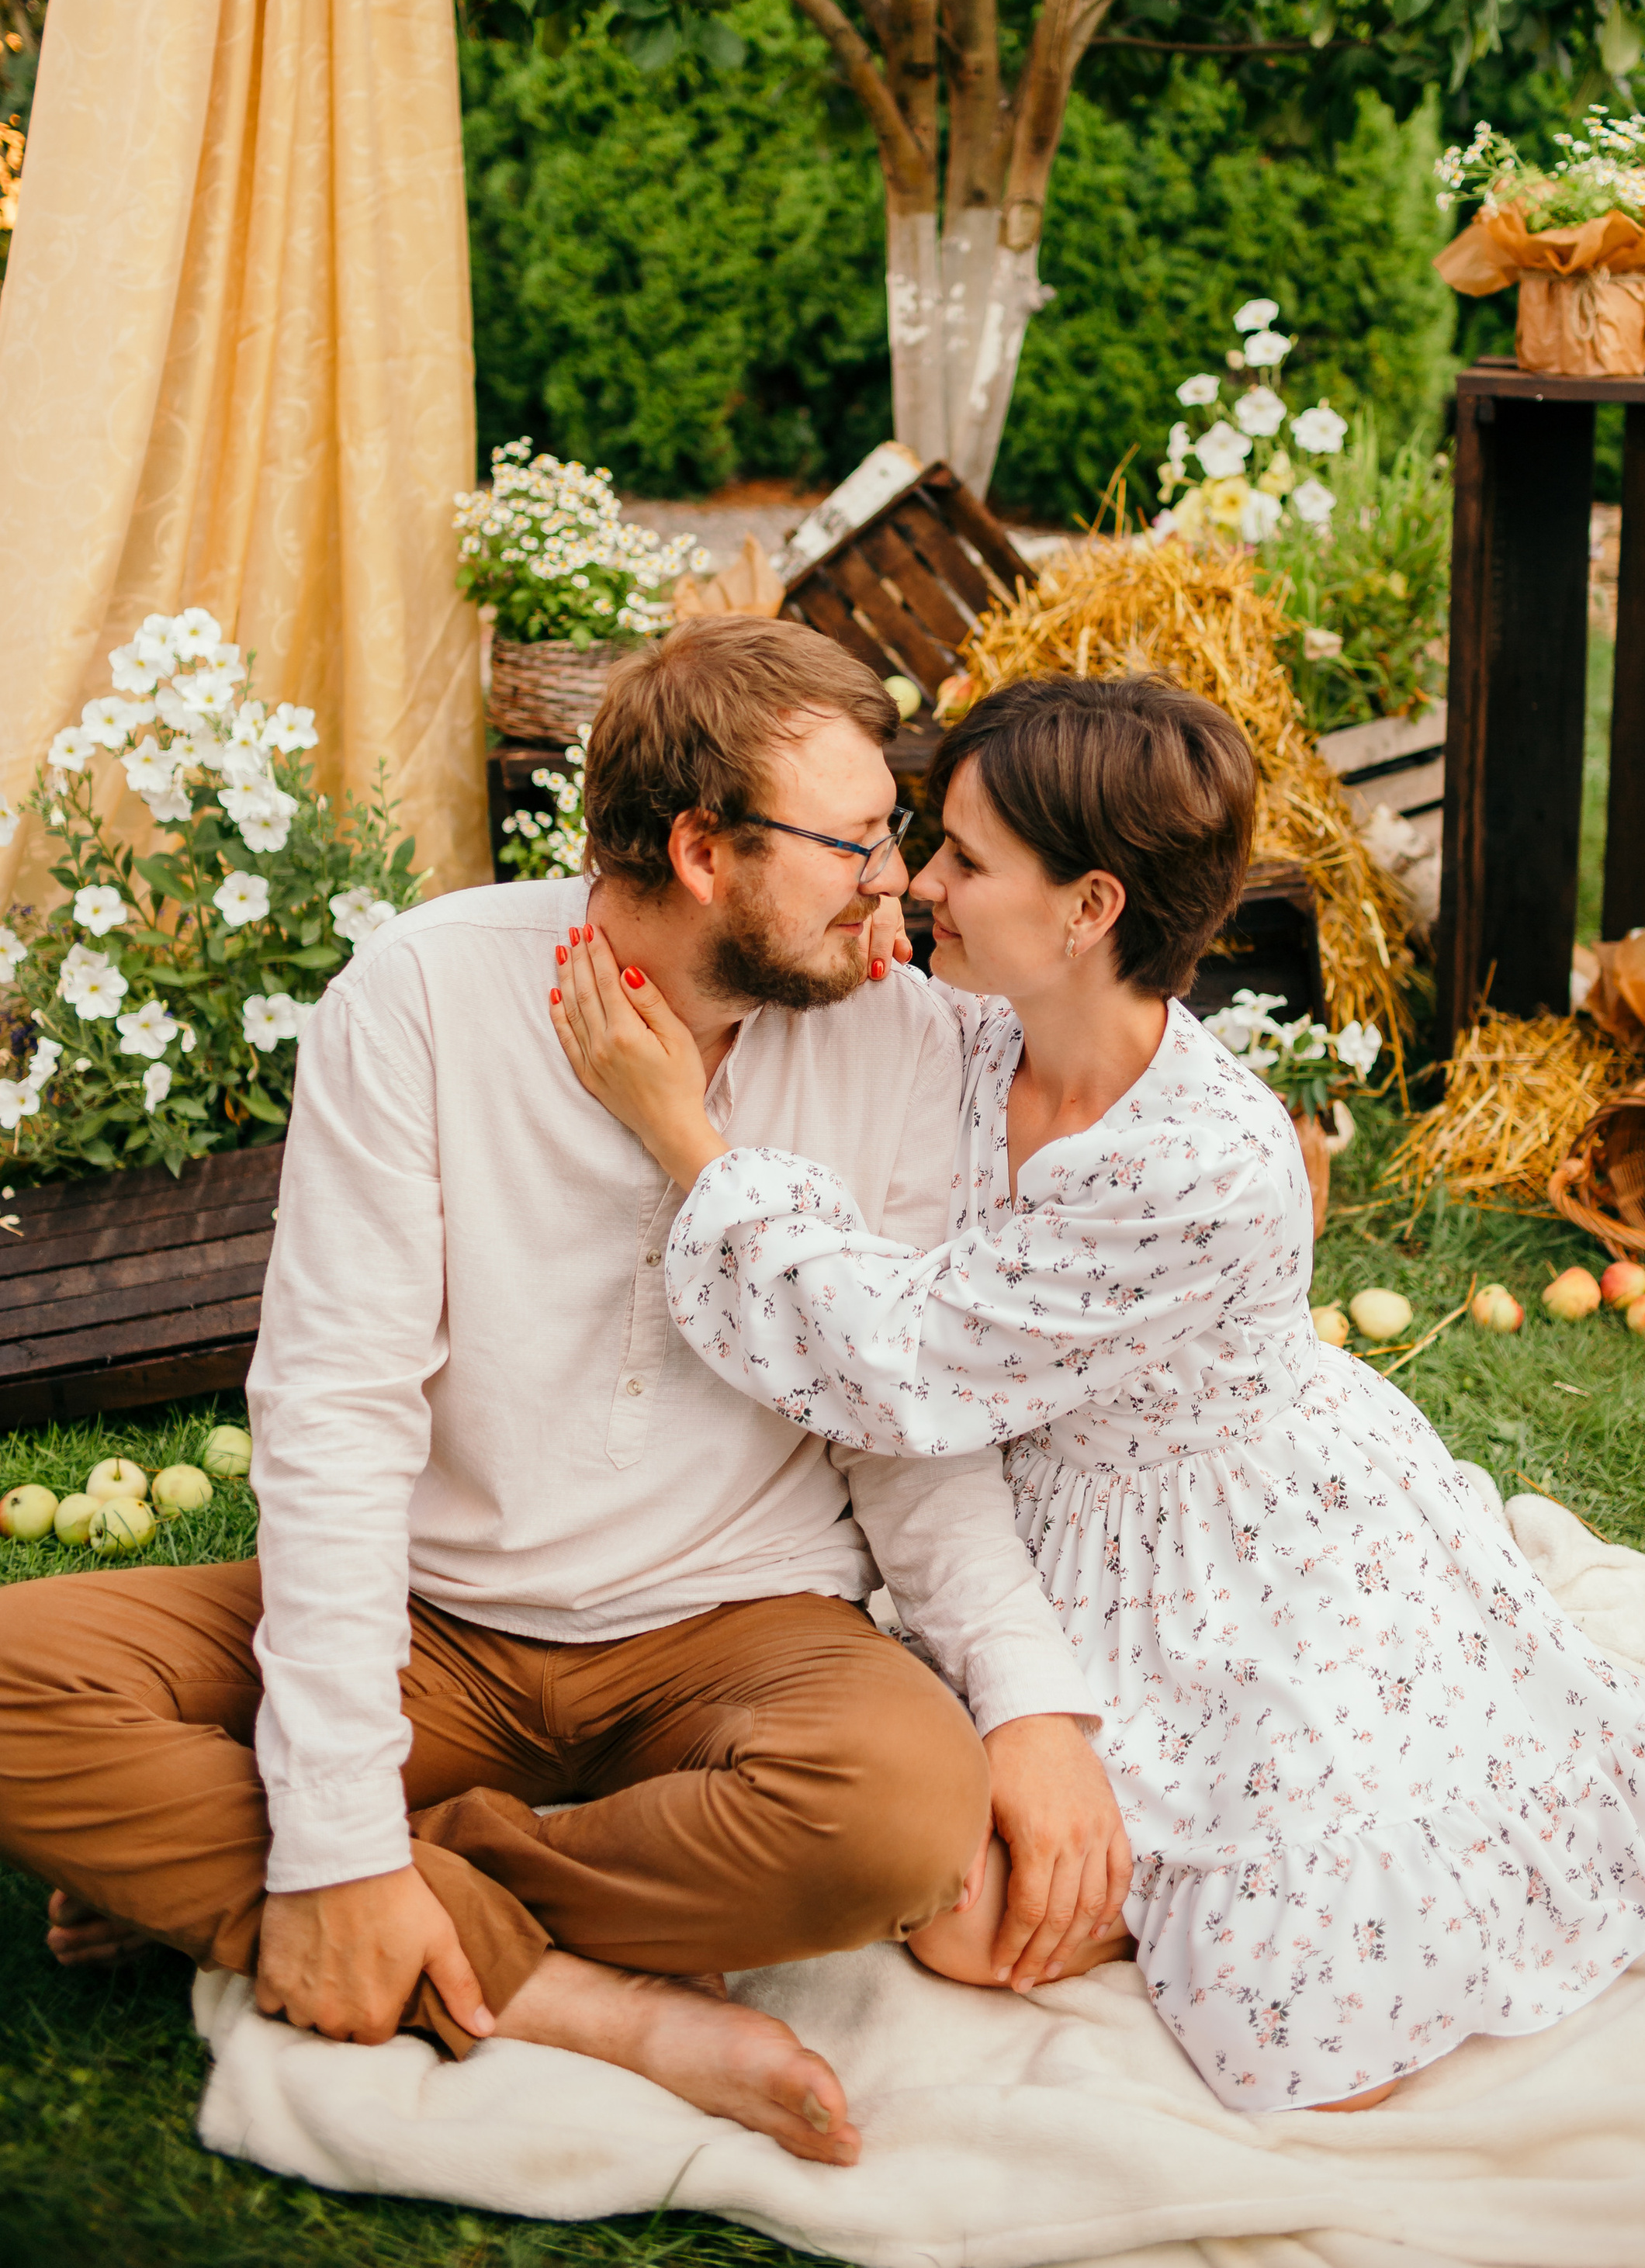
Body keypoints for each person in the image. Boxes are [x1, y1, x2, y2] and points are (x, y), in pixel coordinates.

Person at [0, 620, 1127, 2169]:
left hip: (737, 1630)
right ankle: (573, 1999)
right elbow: (335, 1422)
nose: (896, 882)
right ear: (703, 851)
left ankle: (356, 1890)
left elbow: (897, 1418)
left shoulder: (897, 1031)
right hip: (437, 1627)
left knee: (899, 1820)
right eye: (858, 841)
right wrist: (329, 1817)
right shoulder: (422, 997)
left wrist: (1030, 1708)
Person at [549, 670, 1645, 2117]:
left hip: (1236, 1553)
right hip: (1040, 1528)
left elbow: (907, 1360)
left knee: (1302, 2018)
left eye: (964, 860)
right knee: (965, 1915)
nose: (918, 885)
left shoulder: (1203, 1166)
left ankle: (1515, 1738)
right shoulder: (967, 1039)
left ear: (1089, 910)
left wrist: (687, 1137)